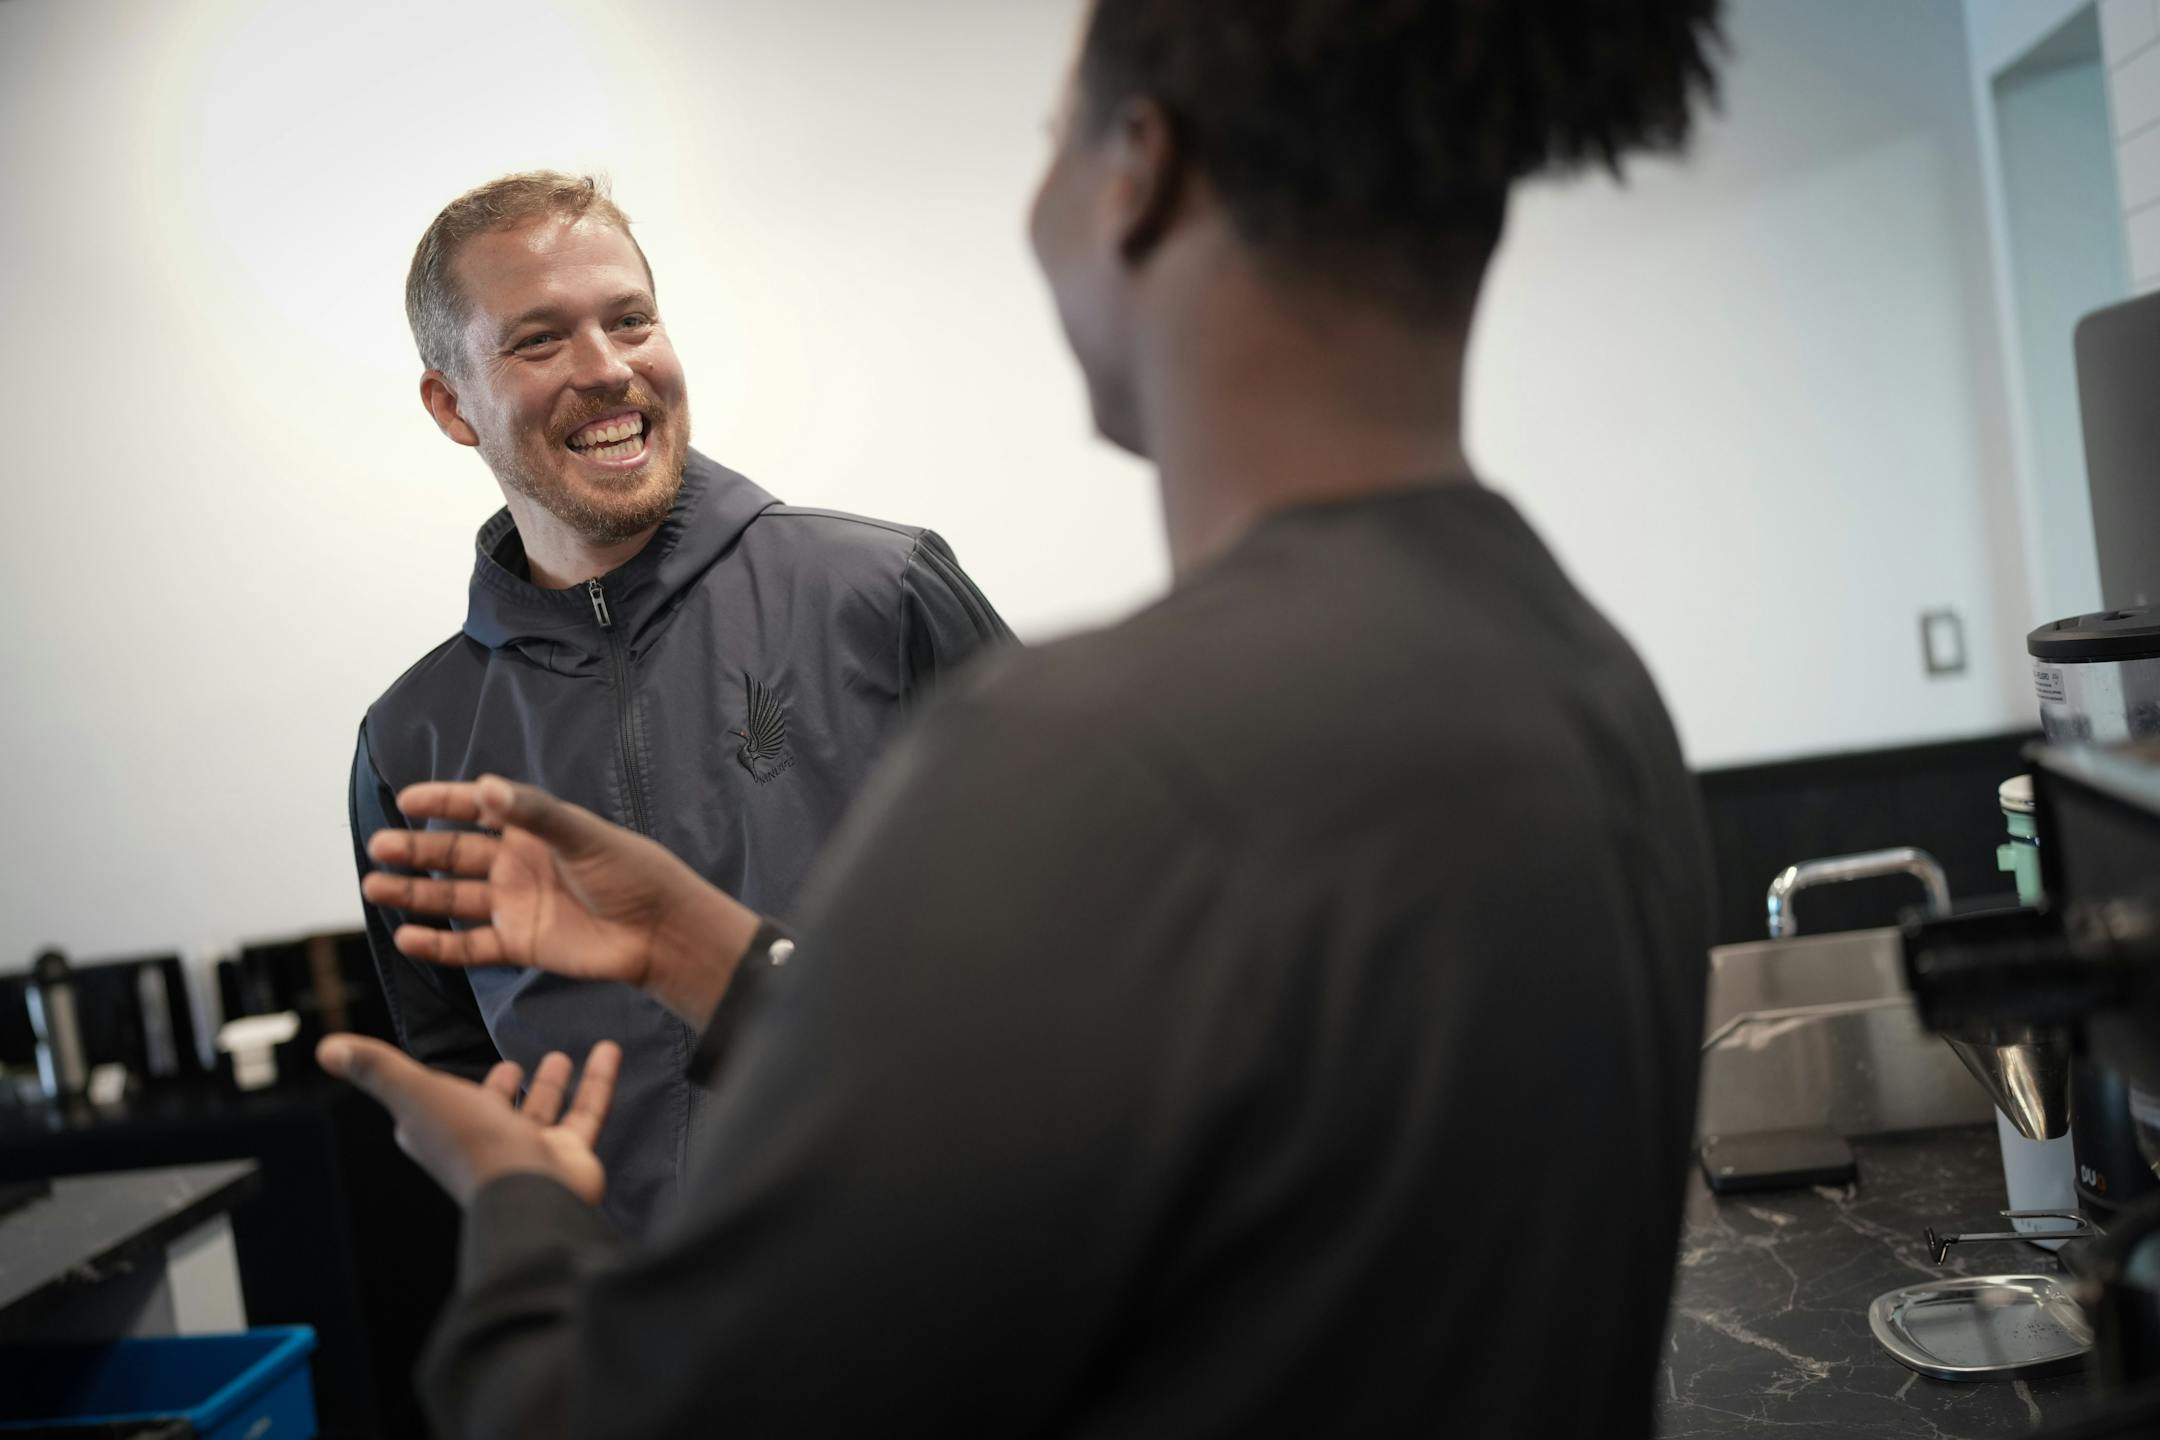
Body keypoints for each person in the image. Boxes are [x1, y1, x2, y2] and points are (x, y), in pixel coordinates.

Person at [328, 1, 1722, 1432]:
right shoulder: (1574, 674)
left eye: (1051, 143)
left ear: (1140, 173)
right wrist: (705, 949)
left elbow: (593, 1407)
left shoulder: (1096, 755)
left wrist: (513, 1207)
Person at [353, 172, 1012, 1233]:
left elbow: (1080, 942)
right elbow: (470, 1081)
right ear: (450, 405)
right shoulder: (411, 742)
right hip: (652, 1345)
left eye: (630, 320)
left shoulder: (879, 595)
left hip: (938, 1283)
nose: (608, 370)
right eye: (538, 341)